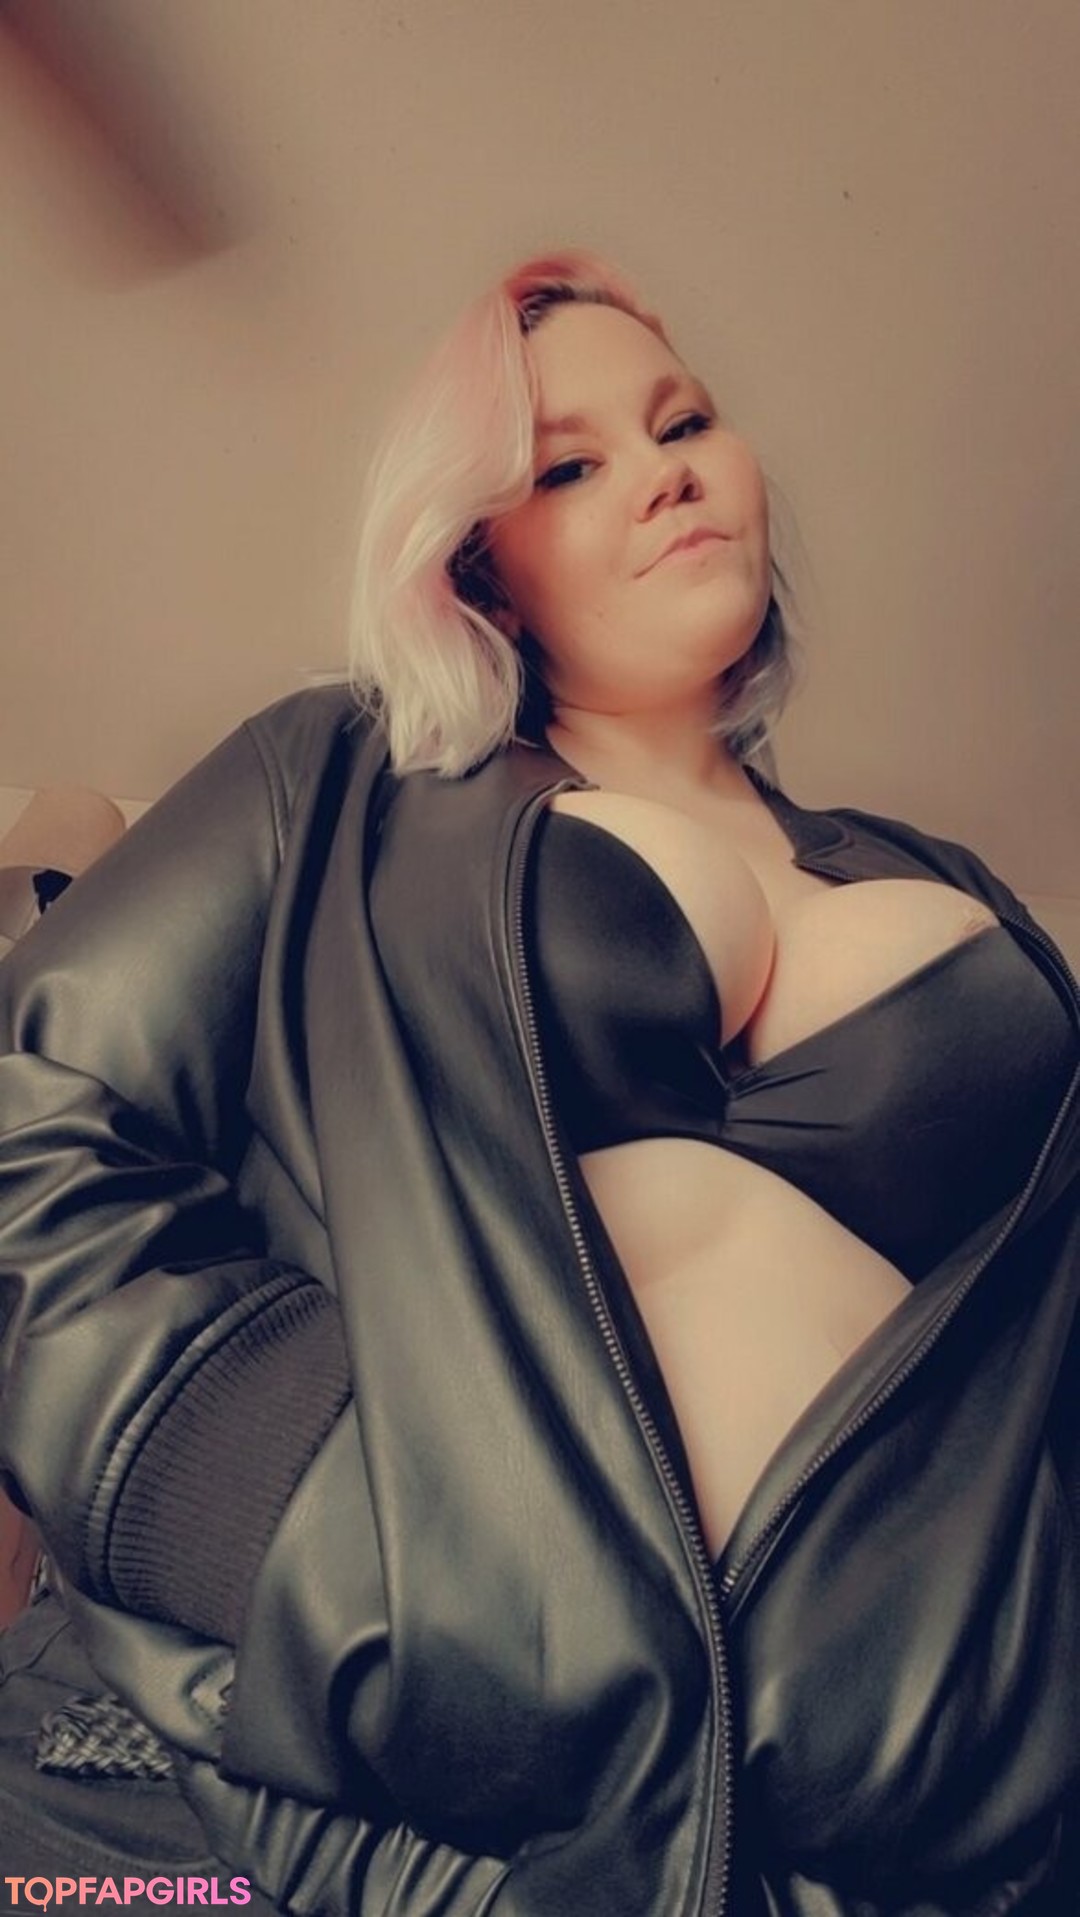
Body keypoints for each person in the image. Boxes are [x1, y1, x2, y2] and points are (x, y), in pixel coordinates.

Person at [0, 250, 1077, 1917]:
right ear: (482, 574)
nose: (666, 471)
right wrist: (284, 1492)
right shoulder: (343, 781)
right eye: (571, 465)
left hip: (942, 1808)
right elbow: (34, 1113)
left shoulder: (941, 880)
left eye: (685, 422)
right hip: (452, 1766)